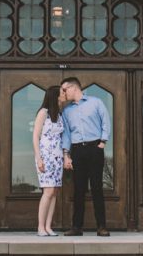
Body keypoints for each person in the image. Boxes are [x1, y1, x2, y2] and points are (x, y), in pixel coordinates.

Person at [59, 76, 111, 236]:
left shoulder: (96, 102)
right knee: (79, 190)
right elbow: (66, 134)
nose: (63, 92)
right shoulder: (66, 111)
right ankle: (77, 227)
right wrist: (66, 154)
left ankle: (101, 226)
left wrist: (102, 141)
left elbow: (106, 122)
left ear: (74, 88)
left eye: (64, 89)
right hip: (77, 151)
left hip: (94, 148)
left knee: (97, 188)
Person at [33, 84, 65, 236]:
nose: (63, 94)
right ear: (55, 96)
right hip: (45, 156)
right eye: (62, 93)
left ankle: (48, 226)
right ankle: (40, 227)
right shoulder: (43, 113)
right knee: (48, 191)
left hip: (57, 157)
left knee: (54, 192)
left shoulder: (59, 114)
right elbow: (35, 136)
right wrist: (39, 158)